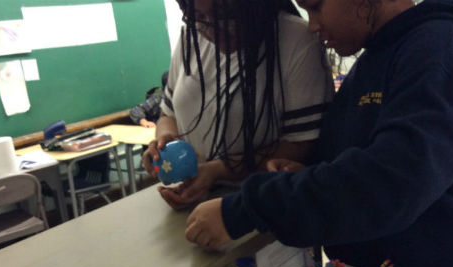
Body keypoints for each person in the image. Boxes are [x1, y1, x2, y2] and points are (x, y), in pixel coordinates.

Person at [185, 0, 453, 267]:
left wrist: (243, 208)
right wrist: (311, 173)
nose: (312, 25)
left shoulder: (437, 49)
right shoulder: (377, 56)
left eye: (315, 6)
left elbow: (391, 183)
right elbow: (365, 158)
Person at [142, 0, 333, 210]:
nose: (212, 29)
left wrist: (218, 170)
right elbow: (168, 114)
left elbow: (301, 144)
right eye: (198, 16)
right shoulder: (190, 36)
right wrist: (164, 139)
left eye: (225, 15)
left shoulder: (297, 39)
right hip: (193, 200)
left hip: (262, 206)